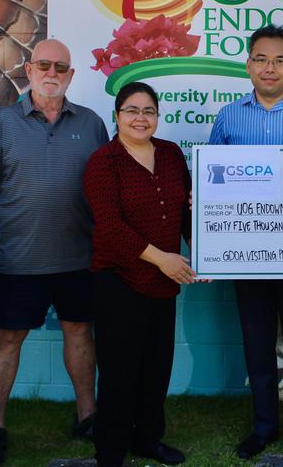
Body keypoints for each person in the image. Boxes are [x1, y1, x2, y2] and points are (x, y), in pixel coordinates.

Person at [0, 39, 109, 467]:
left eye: (61, 67)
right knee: (7, 339)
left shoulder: (91, 124)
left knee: (79, 334)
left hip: (78, 259)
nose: (52, 73)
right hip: (18, 260)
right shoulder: (2, 125)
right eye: (44, 65)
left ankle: (87, 417)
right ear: (29, 70)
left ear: (71, 75)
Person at [208, 25, 283, 461]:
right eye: (261, 59)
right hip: (247, 255)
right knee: (256, 343)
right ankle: (263, 427)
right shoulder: (229, 117)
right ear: (248, 65)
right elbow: (213, 188)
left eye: (280, 60)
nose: (270, 68)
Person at [82, 82, 194, 467]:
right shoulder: (103, 161)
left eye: (148, 111)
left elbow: (187, 215)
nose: (140, 118)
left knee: (156, 367)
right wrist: (163, 258)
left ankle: (148, 440)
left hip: (164, 284)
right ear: (117, 116)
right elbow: (111, 228)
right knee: (119, 371)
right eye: (132, 110)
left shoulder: (170, 154)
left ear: (158, 116)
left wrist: (213, 255)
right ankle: (111, 451)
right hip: (118, 280)